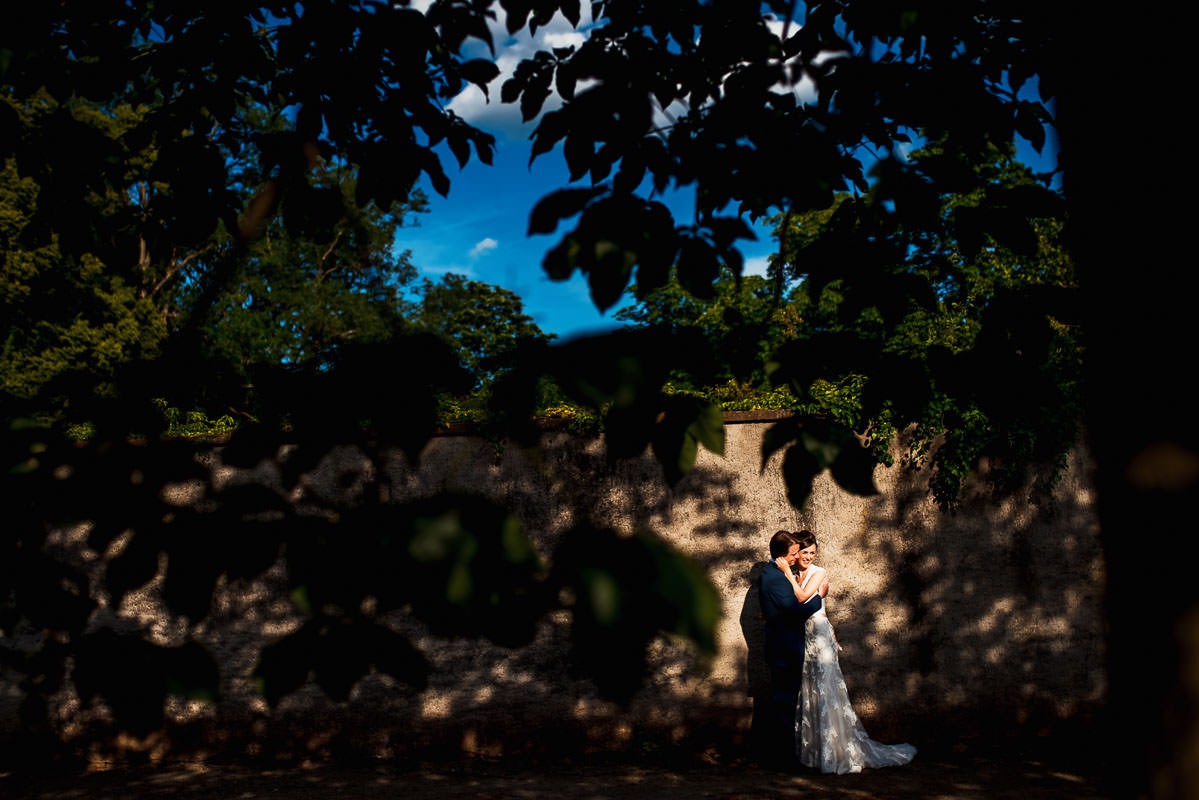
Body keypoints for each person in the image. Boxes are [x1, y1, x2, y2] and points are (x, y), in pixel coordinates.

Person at [774, 530, 917, 774]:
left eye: (812, 553)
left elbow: (800, 598)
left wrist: (786, 573)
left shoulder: (820, 573)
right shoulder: (797, 573)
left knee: (827, 690)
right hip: (805, 636)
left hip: (818, 637)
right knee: (810, 691)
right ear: (796, 554)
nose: (808, 557)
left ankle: (835, 752)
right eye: (804, 553)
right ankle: (814, 755)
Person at [757, 529, 827, 768]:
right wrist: (819, 598)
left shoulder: (773, 573)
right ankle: (783, 759)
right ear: (780, 555)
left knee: (784, 702)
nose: (797, 557)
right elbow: (793, 611)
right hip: (784, 649)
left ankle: (780, 755)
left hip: (783, 647)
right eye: (794, 554)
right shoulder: (775, 577)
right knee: (785, 704)